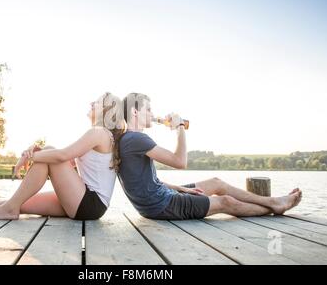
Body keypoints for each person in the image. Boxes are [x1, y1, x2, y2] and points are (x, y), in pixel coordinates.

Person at [0, 92, 125, 220]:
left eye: (97, 102)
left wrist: (31, 158)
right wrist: (35, 152)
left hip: (89, 203)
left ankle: (9, 209)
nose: (91, 102)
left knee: (49, 150)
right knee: (21, 201)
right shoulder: (100, 135)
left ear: (106, 110)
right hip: (85, 202)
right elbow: (66, 161)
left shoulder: (99, 132)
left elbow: (61, 156)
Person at [115, 92, 303, 220]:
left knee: (216, 183)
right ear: (135, 112)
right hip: (160, 205)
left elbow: (149, 181)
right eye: (148, 109)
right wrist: (180, 128)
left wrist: (182, 189)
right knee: (225, 202)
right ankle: (274, 206)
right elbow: (181, 162)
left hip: (161, 197)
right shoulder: (136, 139)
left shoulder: (130, 139)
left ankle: (274, 203)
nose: (152, 114)